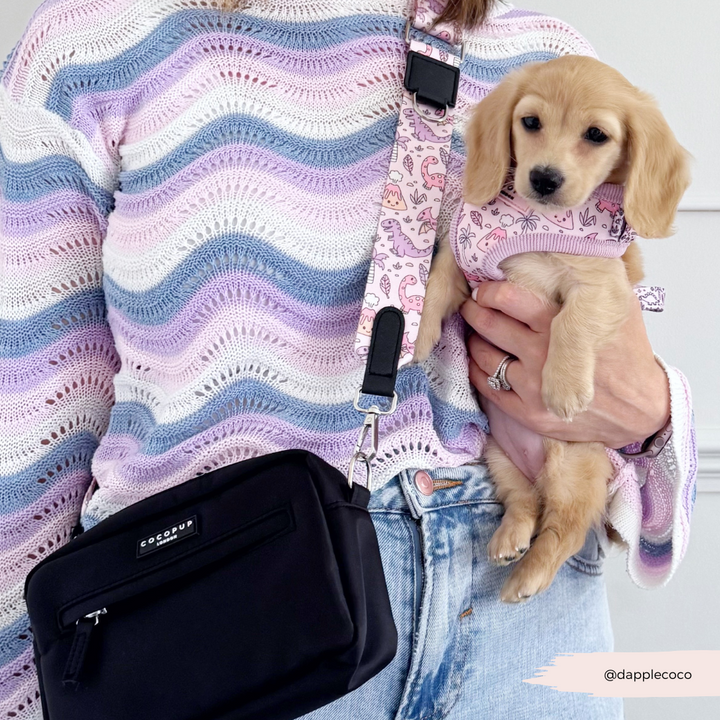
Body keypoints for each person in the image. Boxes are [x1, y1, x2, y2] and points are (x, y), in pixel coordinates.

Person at [0, 0, 696, 718]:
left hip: (526, 613)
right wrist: (28, 691)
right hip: (235, 607)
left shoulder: (541, 51)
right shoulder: (96, 45)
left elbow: (609, 311)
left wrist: (654, 417)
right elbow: (26, 419)